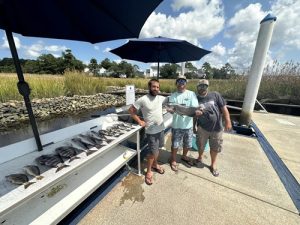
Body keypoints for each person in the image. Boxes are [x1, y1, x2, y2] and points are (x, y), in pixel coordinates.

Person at [129, 78, 166, 185]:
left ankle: (155, 164)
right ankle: (149, 171)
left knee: (158, 149)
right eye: (154, 86)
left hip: (161, 128)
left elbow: (171, 101)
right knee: (152, 152)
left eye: (158, 87)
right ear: (149, 87)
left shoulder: (160, 98)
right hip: (151, 131)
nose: (156, 89)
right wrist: (140, 121)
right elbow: (131, 111)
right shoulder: (143, 99)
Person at [194, 79, 232, 177]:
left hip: (217, 128)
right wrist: (194, 125)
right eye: (200, 86)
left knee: (215, 147)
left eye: (205, 86)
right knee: (200, 144)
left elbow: (224, 108)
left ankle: (213, 164)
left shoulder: (215, 95)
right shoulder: (195, 98)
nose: (202, 88)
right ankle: (200, 157)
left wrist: (228, 120)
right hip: (202, 127)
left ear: (208, 87)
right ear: (197, 87)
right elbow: (193, 113)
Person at [167, 75, 198, 171]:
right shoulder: (173, 95)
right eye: (179, 81)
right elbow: (171, 108)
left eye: (183, 81)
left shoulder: (191, 94)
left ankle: (184, 156)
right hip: (177, 125)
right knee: (175, 144)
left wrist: (196, 112)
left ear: (186, 83)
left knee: (188, 144)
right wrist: (170, 110)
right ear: (176, 83)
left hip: (188, 125)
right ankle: (173, 159)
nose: (181, 83)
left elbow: (195, 107)